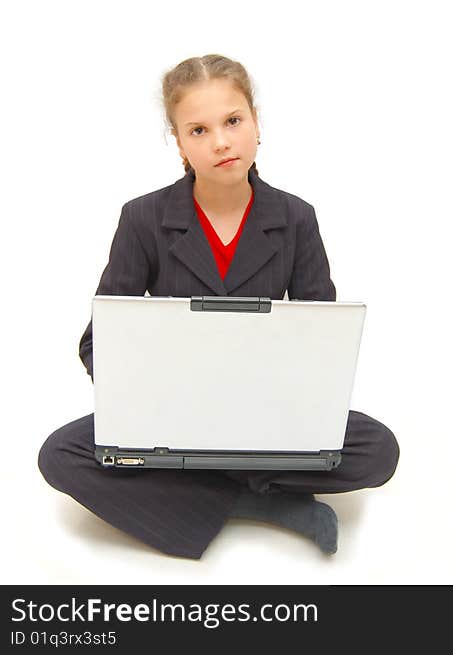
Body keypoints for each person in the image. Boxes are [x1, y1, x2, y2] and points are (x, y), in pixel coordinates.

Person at [37, 54, 400, 559]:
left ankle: (196, 482)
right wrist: (149, 398)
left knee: (377, 450)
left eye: (233, 121)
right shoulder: (143, 218)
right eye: (199, 130)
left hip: (268, 409)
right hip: (171, 410)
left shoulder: (296, 218)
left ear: (256, 122)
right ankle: (257, 503)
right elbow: (98, 341)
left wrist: (290, 398)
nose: (221, 142)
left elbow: (323, 338)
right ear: (179, 143)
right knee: (61, 455)